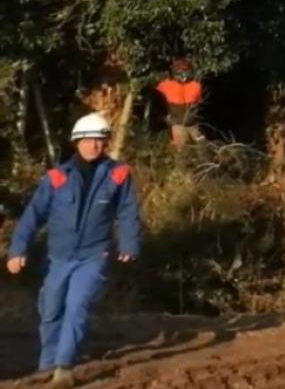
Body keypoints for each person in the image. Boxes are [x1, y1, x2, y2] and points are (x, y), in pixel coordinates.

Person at [6, 114, 141, 387]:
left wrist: (129, 242)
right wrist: (17, 249)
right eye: (89, 140)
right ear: (77, 142)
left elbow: (127, 211)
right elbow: (33, 215)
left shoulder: (118, 174)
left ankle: (64, 367)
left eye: (101, 140)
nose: (95, 146)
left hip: (94, 255)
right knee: (51, 310)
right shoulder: (57, 177)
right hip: (58, 258)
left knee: (77, 306)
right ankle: (47, 364)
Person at [154, 57, 204, 146]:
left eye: (184, 71)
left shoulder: (167, 85)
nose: (183, 74)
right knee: (188, 151)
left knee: (199, 148)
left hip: (190, 125)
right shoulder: (195, 86)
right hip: (182, 125)